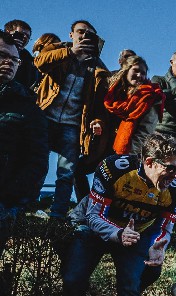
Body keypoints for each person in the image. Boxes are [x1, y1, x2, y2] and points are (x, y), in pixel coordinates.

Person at [43, 133, 176, 296]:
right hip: (97, 228)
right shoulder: (114, 168)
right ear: (150, 162)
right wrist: (117, 234)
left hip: (137, 235)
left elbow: (164, 227)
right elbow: (93, 214)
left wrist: (158, 245)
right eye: (171, 168)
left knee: (130, 289)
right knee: (73, 279)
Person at [34, 20, 111, 218]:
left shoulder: (97, 69)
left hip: (73, 125)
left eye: (89, 34)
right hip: (45, 117)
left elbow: (101, 102)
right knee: (37, 164)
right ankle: (27, 207)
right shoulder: (59, 51)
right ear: (71, 35)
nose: (83, 36)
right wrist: (71, 52)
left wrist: (98, 121)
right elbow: (40, 62)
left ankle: (57, 214)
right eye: (80, 32)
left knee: (66, 172)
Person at [0, 32, 48, 259]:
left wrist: (9, 202)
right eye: (2, 55)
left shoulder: (28, 107)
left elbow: (37, 161)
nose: (8, 62)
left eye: (14, 59)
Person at [103, 55, 164, 157]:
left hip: (126, 154)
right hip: (103, 145)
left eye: (143, 73)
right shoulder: (114, 93)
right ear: (126, 70)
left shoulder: (150, 97)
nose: (139, 75)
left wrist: (128, 157)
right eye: (136, 70)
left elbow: (144, 133)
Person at [4, 20, 37, 91]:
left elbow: (28, 82)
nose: (24, 37)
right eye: (21, 34)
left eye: (28, 36)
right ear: (7, 32)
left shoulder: (27, 58)